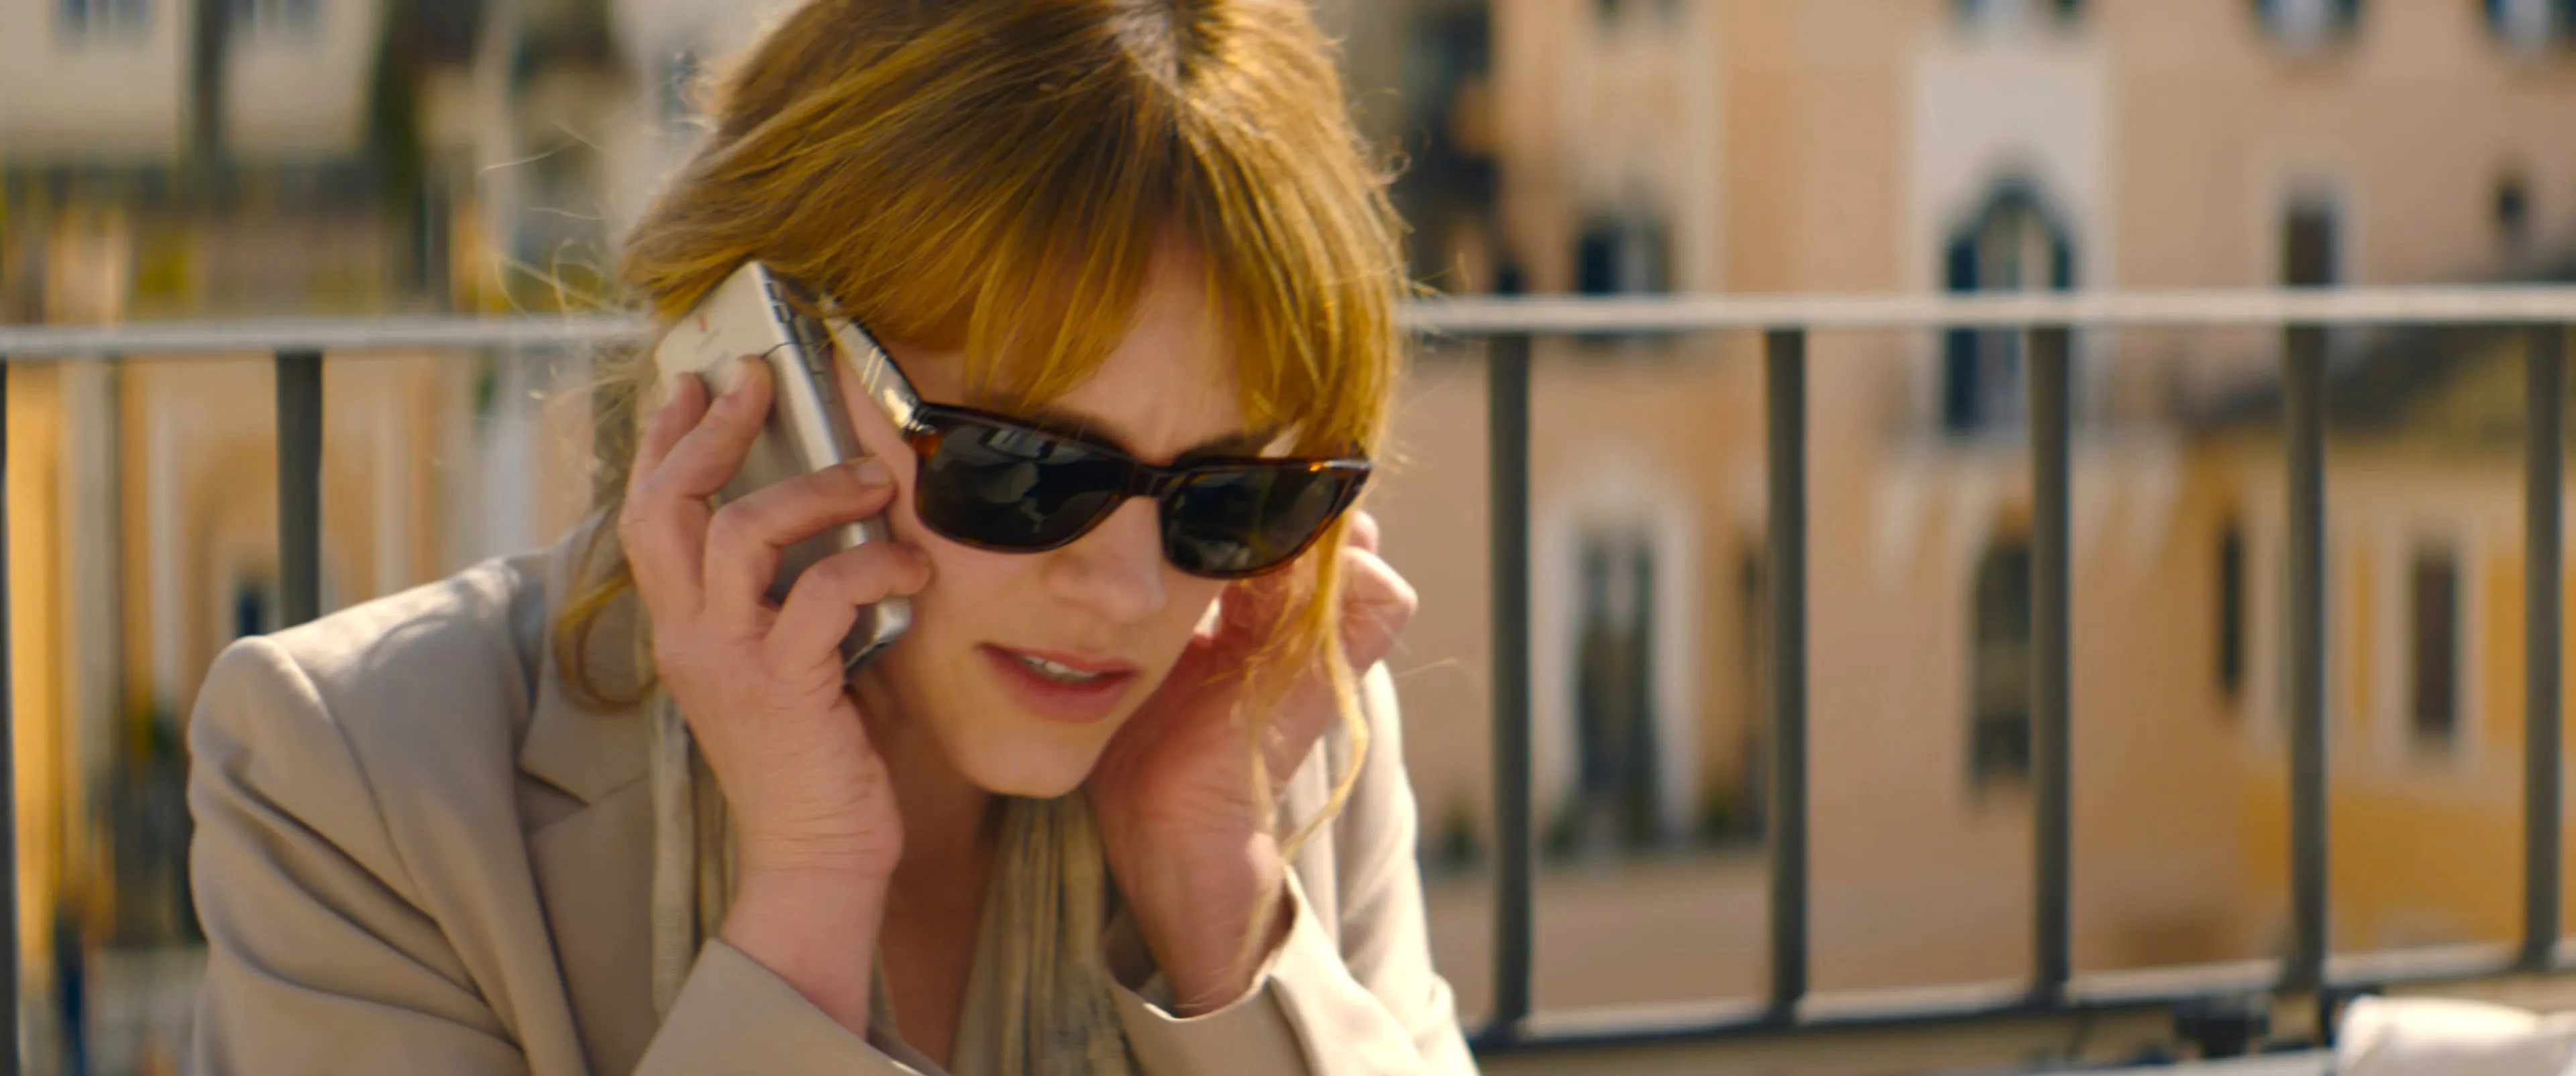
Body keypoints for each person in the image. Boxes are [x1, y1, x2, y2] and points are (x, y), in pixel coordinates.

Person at [182, 0, 1479, 1073]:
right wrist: (807, 895)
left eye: (1231, 496)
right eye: (1023, 469)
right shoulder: (357, 781)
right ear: (756, 358)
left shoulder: (1267, 739)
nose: (1133, 590)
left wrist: (1219, 906)